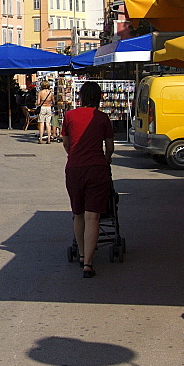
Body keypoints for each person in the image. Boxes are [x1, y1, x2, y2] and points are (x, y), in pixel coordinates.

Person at [61, 81, 114, 279]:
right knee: (94, 217)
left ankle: (82, 255)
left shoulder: (70, 116)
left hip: (74, 168)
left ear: (81, 97)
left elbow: (66, 143)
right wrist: (107, 158)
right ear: (99, 98)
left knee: (78, 214)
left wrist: (74, 154)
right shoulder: (102, 118)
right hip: (97, 169)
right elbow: (109, 147)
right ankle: (89, 265)